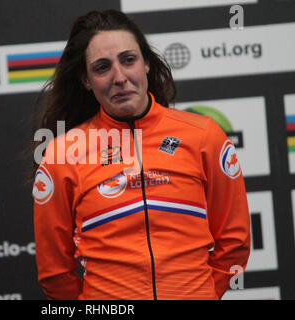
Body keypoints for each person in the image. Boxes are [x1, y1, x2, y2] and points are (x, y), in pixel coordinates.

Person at [31, 9, 250, 300]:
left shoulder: (203, 135)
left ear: (146, 63)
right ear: (86, 80)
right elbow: (54, 271)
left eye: (128, 60)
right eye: (102, 67)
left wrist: (203, 294)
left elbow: (234, 241)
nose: (119, 77)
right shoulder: (63, 155)